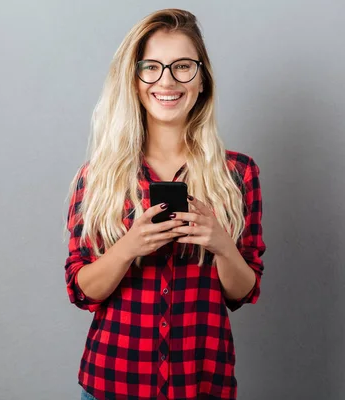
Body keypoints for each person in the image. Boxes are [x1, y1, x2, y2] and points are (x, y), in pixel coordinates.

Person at [64, 8, 266, 400]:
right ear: (135, 80)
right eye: (151, 67)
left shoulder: (238, 173)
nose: (167, 81)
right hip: (113, 383)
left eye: (182, 67)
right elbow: (82, 290)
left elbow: (242, 292)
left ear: (202, 78)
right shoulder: (99, 177)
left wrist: (221, 244)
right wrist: (130, 247)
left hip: (202, 384)